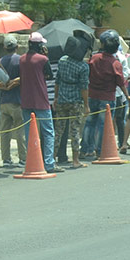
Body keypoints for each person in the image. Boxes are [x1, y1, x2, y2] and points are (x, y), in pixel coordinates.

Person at [82, 30, 129, 158]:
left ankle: (85, 149)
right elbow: (120, 82)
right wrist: (127, 96)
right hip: (107, 98)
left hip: (92, 95)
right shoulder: (115, 63)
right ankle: (99, 150)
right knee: (103, 124)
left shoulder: (94, 58)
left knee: (90, 122)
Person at [19, 32, 60, 172]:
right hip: (41, 100)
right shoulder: (43, 59)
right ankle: (49, 163)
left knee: (29, 133)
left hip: (26, 100)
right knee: (48, 132)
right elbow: (49, 76)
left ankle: (31, 161)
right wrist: (46, 56)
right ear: (40, 45)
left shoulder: (22, 59)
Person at [53, 35, 90, 167]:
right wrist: (86, 105)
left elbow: (57, 81)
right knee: (74, 131)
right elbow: (84, 88)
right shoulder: (83, 67)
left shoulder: (62, 61)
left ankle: (52, 160)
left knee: (58, 131)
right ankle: (75, 160)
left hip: (62, 99)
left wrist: (56, 98)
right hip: (76, 102)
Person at [0, 35, 27, 168]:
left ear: (4, 47)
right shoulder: (21, 60)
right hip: (17, 100)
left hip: (3, 101)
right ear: (17, 46)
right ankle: (23, 158)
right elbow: (24, 78)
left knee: (4, 132)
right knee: (20, 131)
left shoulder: (1, 61)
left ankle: (6, 159)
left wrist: (6, 86)